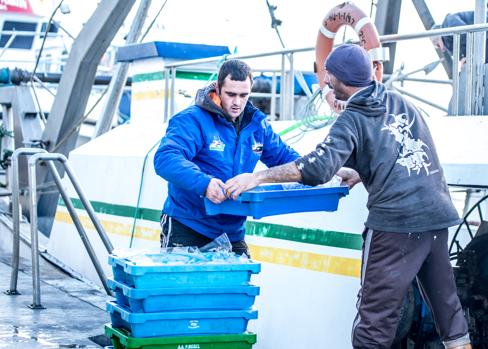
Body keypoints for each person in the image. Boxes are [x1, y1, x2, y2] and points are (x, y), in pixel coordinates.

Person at [224, 44, 471, 349]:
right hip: (436, 217)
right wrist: (362, 171)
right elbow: (400, 148)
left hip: (395, 226)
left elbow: (316, 168)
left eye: (330, 78)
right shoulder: (398, 101)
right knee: (449, 314)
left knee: (373, 324)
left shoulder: (351, 117)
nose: (326, 83)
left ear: (342, 80)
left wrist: (257, 176)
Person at [153, 59, 300, 255]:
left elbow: (285, 157)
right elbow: (166, 158)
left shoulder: (258, 125)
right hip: (188, 226)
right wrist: (205, 184)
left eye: (243, 95)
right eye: (231, 94)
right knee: (185, 286)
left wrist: (320, 167)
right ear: (218, 88)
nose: (237, 102)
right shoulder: (192, 120)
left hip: (232, 233)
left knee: (237, 285)